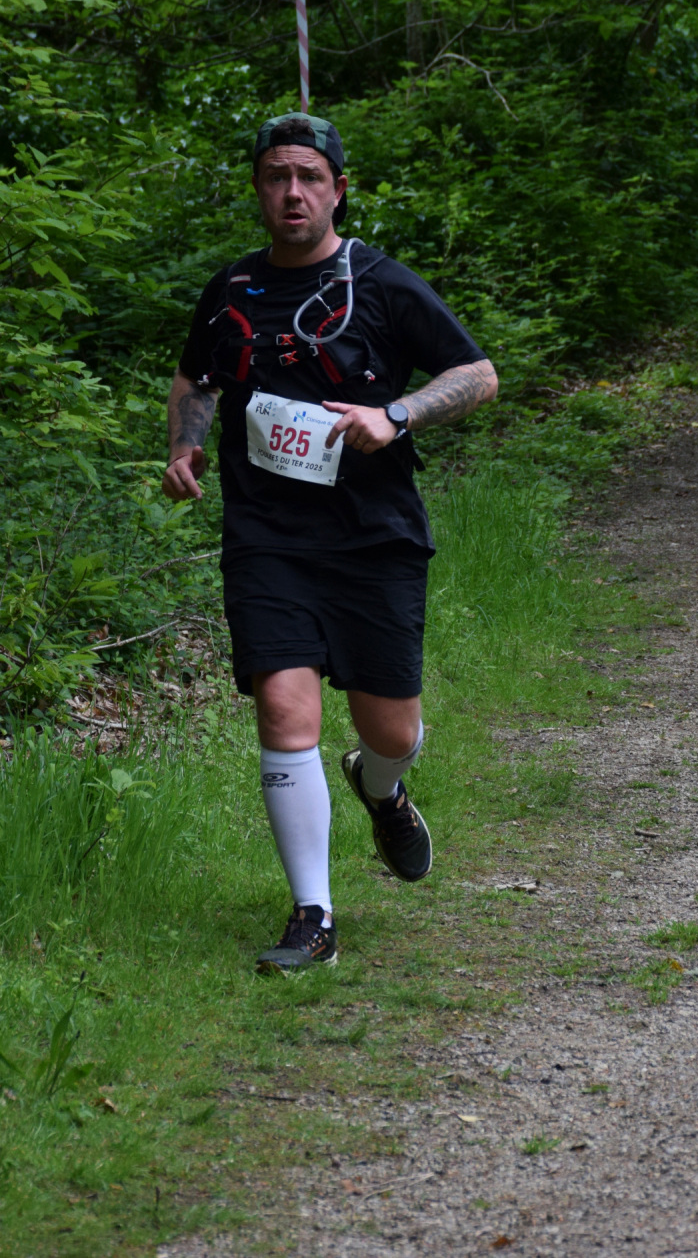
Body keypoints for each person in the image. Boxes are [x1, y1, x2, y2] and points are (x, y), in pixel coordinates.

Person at [163, 113, 498, 973]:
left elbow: (478, 374)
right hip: (266, 536)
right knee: (284, 708)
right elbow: (198, 372)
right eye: (276, 176)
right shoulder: (232, 288)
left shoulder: (380, 283)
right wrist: (185, 445)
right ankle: (313, 916)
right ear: (258, 189)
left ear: (338, 189)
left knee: (392, 729)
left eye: (309, 177)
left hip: (374, 536)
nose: (293, 192)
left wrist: (396, 415)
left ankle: (380, 787)